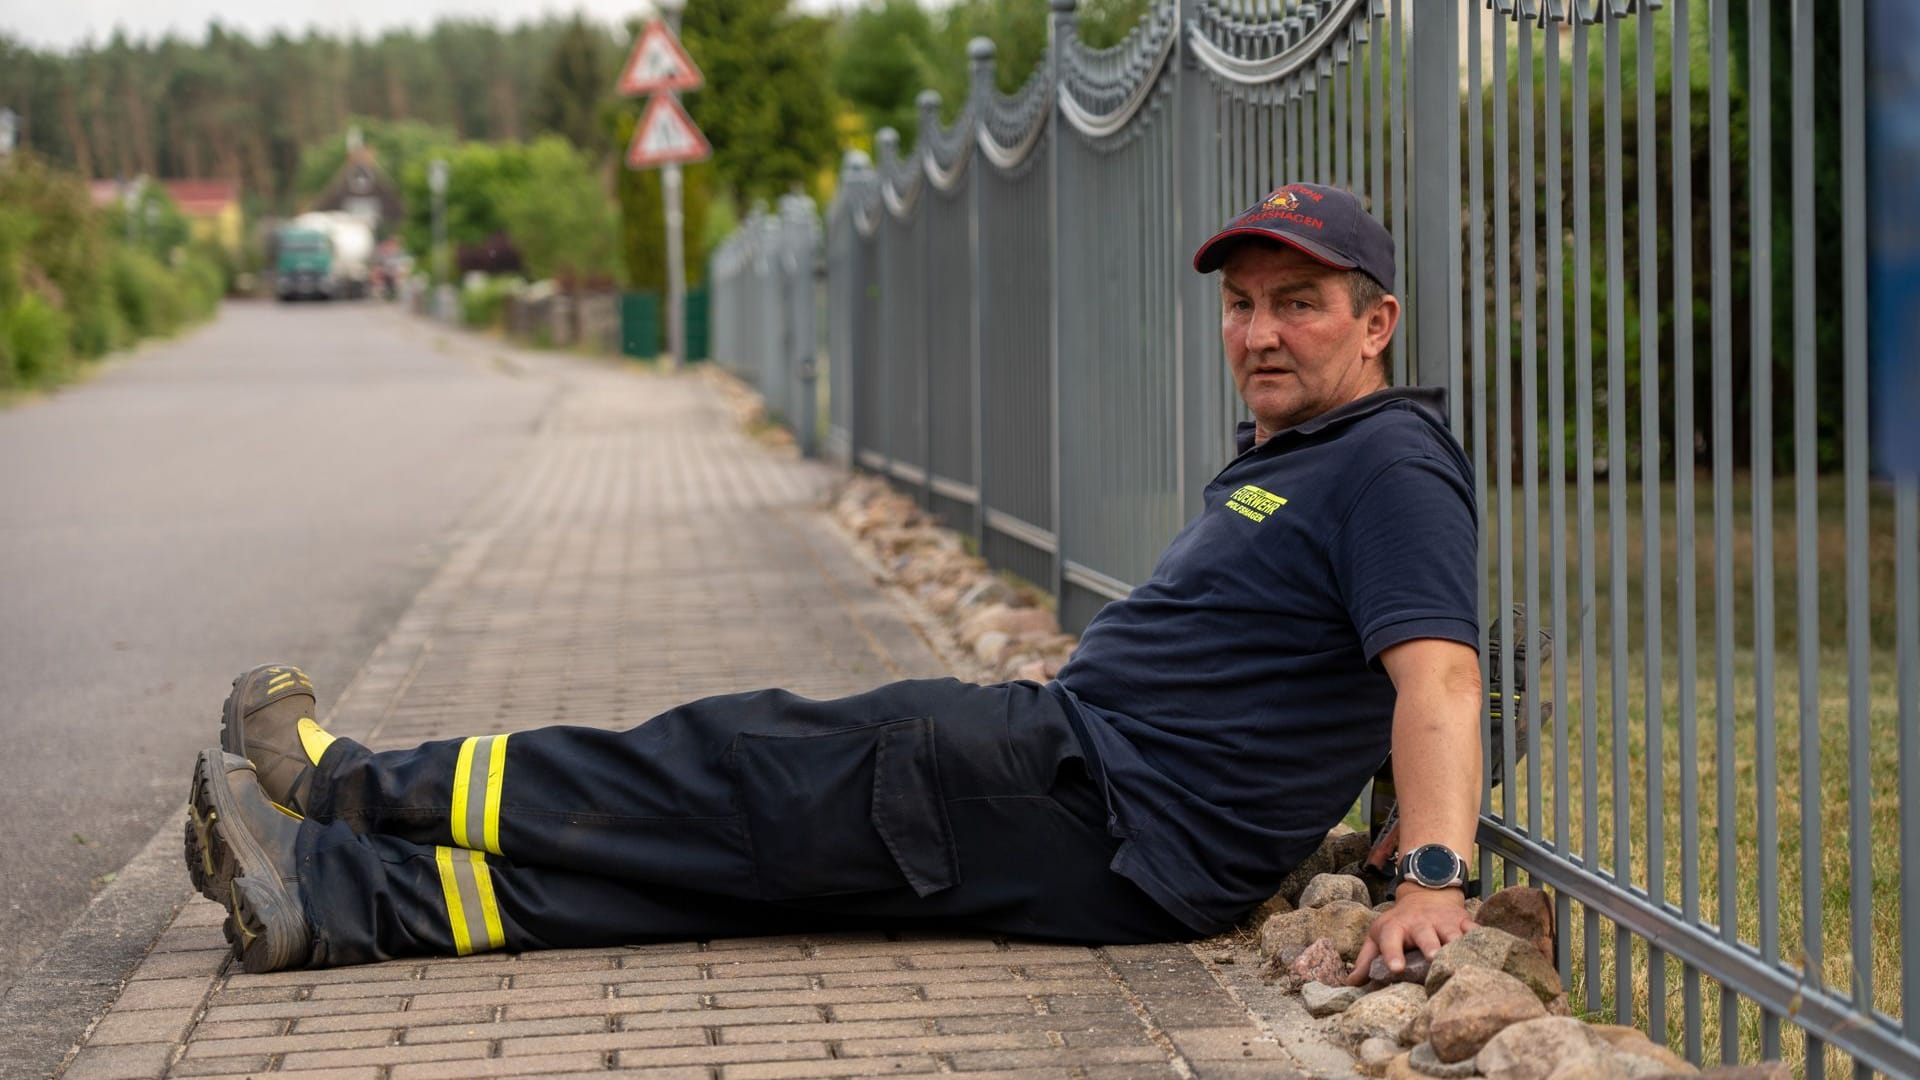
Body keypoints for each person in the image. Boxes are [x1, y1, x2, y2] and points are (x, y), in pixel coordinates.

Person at [184, 182, 1484, 982]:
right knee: (730, 859)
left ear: (1377, 324)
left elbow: (1442, 668)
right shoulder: (1317, 457)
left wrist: (1431, 872)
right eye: (1245, 303)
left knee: (716, 764)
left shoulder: (1388, 464)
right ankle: (333, 902)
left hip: (1096, 799)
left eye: (1299, 303)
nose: (1257, 330)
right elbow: (1439, 662)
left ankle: (348, 782)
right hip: (1093, 797)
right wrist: (1373, 792)